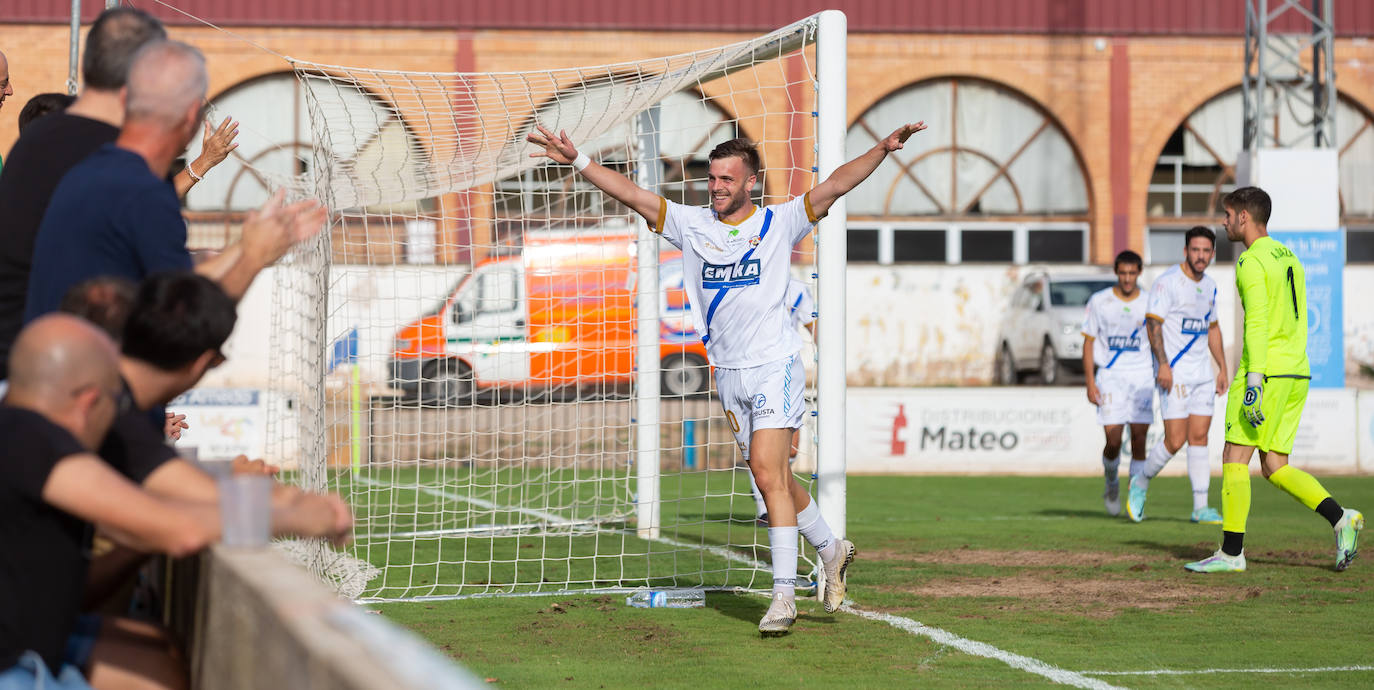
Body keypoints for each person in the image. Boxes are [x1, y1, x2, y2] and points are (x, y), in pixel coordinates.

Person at [528, 120, 925, 635]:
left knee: (766, 472)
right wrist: (579, 161)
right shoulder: (690, 224)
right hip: (728, 375)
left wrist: (882, 149)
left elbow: (836, 184)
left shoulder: (781, 222)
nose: (716, 187)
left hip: (775, 365)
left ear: (751, 182)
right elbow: (632, 194)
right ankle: (831, 549)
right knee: (775, 480)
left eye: (726, 179)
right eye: (712, 178)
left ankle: (782, 597)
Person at [0, 8, 239, 380]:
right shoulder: (124, 161)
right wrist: (250, 255)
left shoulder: (35, 142)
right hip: (69, 384)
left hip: (31, 369)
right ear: (142, 79)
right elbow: (179, 319)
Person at [24, 40, 313, 326]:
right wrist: (252, 256)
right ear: (190, 116)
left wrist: (242, 246)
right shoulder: (126, 184)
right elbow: (181, 309)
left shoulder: (100, 175)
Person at [1185, 187, 1363, 573]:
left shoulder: (1250, 261)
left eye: (1228, 214)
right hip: (1297, 371)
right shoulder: (1290, 257)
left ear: (1245, 217)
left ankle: (1232, 553)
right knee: (1275, 466)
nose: (1224, 221)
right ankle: (1341, 517)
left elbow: (1260, 323)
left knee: (1234, 456)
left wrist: (1253, 382)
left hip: (1265, 372)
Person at [1126, 226, 1228, 524]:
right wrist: (1164, 364)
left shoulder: (1210, 286)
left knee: (1199, 437)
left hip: (1202, 374)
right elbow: (1153, 324)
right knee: (1175, 440)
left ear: (1212, 253)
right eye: (1195, 250)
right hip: (1175, 372)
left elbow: (1213, 328)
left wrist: (1221, 367)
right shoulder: (1167, 283)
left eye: (1206, 251)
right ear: (1185, 251)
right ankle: (1140, 481)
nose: (1200, 256)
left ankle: (1200, 507)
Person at [1082, 250, 1152, 517]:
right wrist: (1090, 381)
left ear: (1139, 273)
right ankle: (1112, 482)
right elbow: (1088, 342)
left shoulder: (1149, 301)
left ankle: (1136, 498)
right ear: (1116, 272)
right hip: (1110, 376)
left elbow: (1158, 338)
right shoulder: (1099, 301)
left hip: (1142, 375)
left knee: (1139, 438)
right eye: (1122, 273)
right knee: (1113, 439)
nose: (1127, 278)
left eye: (1132, 273)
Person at [749, 277, 816, 522]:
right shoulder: (748, 281)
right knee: (757, 443)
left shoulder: (797, 290)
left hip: (785, 370)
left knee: (789, 445)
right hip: (752, 368)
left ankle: (770, 494)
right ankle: (764, 507)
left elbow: (813, 326)